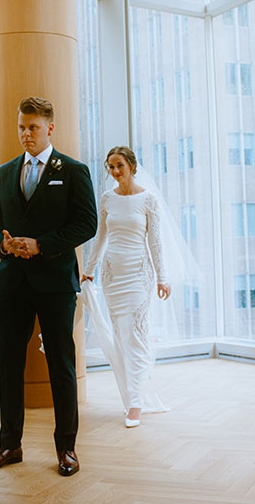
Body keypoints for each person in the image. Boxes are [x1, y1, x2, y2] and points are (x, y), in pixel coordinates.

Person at [0, 96, 98, 477]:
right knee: (9, 366)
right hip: (11, 284)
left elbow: (87, 224)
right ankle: (9, 445)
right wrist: (4, 243)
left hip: (55, 285)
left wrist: (41, 244)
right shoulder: (3, 172)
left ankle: (67, 449)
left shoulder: (74, 171)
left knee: (61, 366)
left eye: (32, 127)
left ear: (50, 128)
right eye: (21, 126)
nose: (25, 133)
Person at [81, 146, 171, 428]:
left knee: (135, 338)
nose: (115, 172)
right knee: (121, 337)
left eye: (119, 165)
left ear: (132, 165)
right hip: (112, 275)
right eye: (110, 167)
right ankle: (131, 396)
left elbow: (155, 242)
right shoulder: (107, 198)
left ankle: (136, 404)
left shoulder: (149, 200)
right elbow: (100, 238)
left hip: (138, 275)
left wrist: (162, 277)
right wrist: (89, 270)